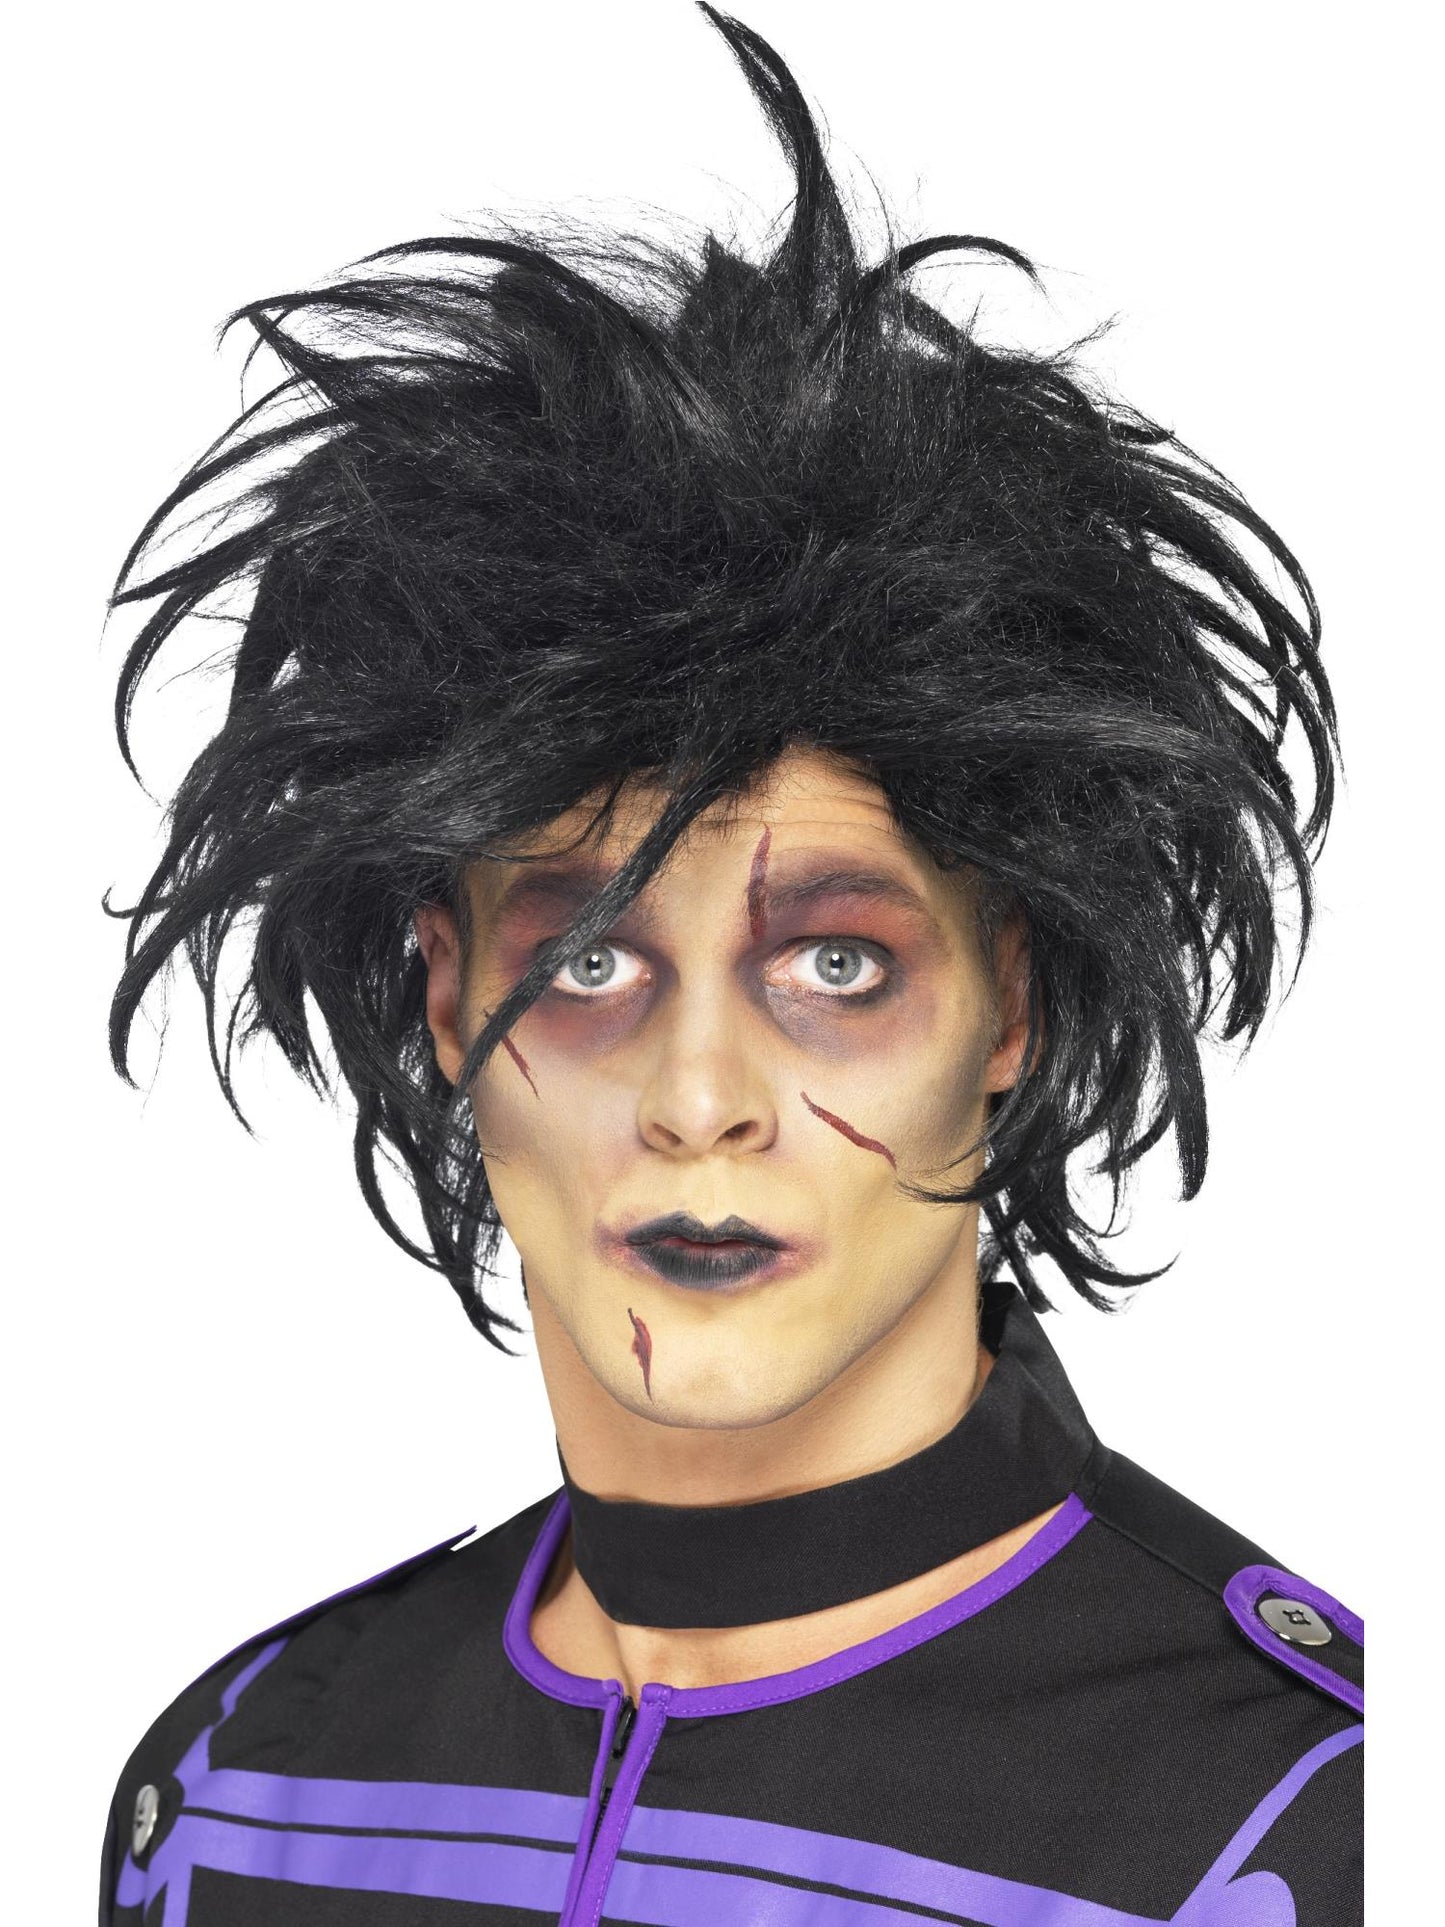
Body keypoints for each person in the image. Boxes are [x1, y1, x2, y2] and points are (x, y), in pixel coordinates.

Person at [97, 6, 1363, 1921]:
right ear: (445, 999)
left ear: (1010, 1006)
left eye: (836, 965)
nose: (699, 1103)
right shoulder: (247, 1782)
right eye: (590, 965)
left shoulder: (1297, 1817)